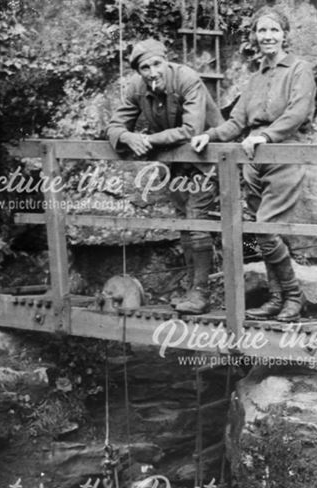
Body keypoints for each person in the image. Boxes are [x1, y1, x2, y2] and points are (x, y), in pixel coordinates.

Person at [191, 7, 315, 321]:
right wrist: (211, 135)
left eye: (274, 30)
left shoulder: (300, 69)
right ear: (254, 37)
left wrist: (267, 136)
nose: (268, 37)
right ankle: (276, 299)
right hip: (254, 159)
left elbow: (297, 114)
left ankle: (294, 297)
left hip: (284, 153)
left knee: (265, 230)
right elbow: (237, 121)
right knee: (266, 230)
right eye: (262, 31)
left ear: (285, 34)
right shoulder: (257, 75)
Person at [106, 39, 223, 314]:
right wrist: (127, 136)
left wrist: (147, 139)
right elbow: (114, 126)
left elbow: (191, 129)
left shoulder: (187, 79)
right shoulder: (137, 87)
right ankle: (191, 287)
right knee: (184, 223)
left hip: (207, 159)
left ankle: (201, 293)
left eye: (157, 64)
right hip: (177, 163)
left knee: (197, 221)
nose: (152, 72)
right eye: (145, 67)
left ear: (166, 61)